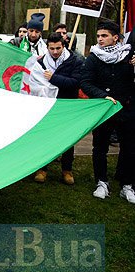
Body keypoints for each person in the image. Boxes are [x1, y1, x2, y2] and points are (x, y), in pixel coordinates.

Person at [81, 20, 135, 203]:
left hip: (127, 109)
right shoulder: (93, 57)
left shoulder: (130, 56)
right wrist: (102, 95)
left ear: (116, 37)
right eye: (98, 36)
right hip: (103, 110)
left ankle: (127, 185)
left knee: (129, 148)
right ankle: (101, 182)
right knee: (100, 147)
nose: (100, 39)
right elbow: (86, 82)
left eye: (104, 36)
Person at [32, 33, 84, 185]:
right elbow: (35, 83)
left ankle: (67, 170)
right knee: (45, 137)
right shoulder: (40, 62)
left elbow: (75, 82)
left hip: (67, 104)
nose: (55, 52)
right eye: (52, 48)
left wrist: (54, 78)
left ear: (64, 46)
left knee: (68, 138)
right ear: (47, 47)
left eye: (58, 48)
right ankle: (42, 168)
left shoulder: (75, 61)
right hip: (48, 106)